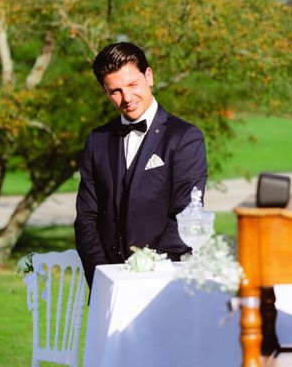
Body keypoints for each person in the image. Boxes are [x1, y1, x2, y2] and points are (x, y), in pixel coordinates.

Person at [74, 42, 207, 287]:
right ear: (105, 92)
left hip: (162, 282)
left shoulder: (185, 137)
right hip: (107, 283)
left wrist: (144, 272)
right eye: (115, 91)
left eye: (133, 85)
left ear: (149, 76)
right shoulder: (97, 140)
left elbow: (185, 214)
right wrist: (103, 276)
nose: (127, 98)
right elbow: (86, 217)